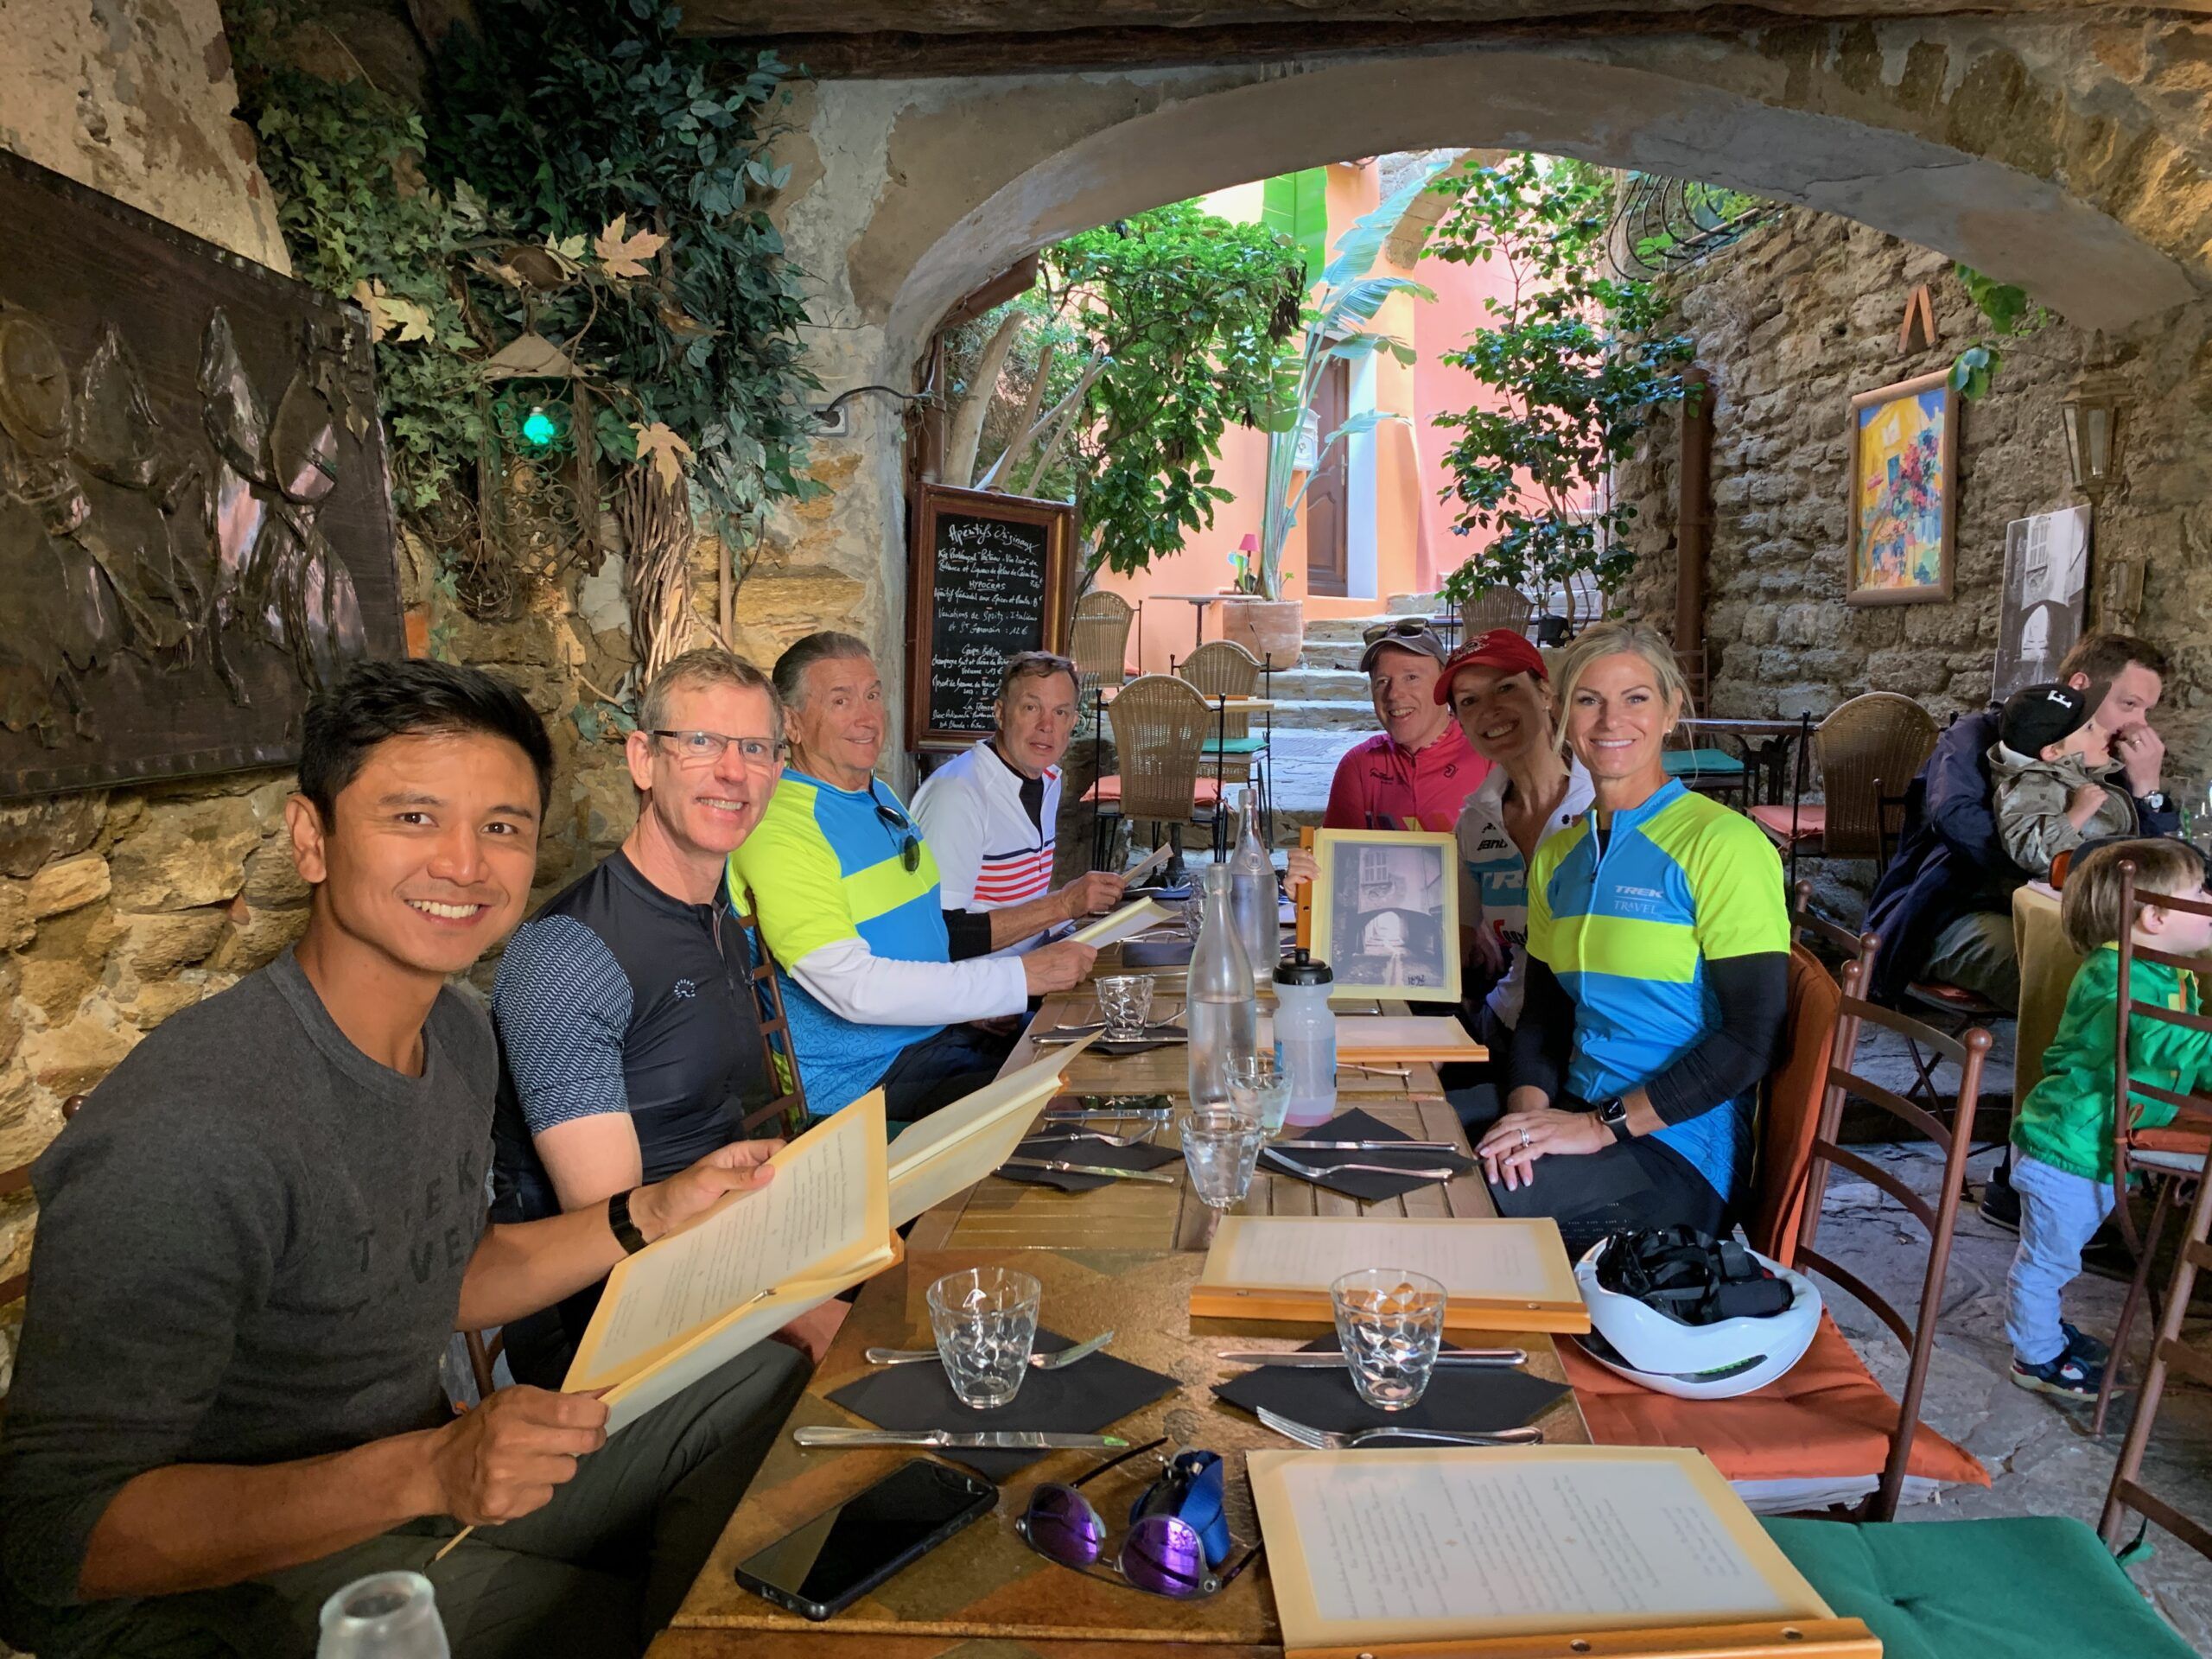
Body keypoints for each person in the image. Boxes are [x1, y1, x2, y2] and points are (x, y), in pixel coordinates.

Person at [0, 661, 808, 1659]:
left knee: (766, 1389)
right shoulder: (192, 1124)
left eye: (502, 827)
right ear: (311, 839)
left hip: (413, 1481)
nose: (465, 865)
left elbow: (443, 1274)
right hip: (237, 1579)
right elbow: (46, 1544)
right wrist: (427, 1471)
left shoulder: (458, 1036)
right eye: (414, 818)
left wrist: (647, 1214)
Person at [490, 648, 837, 1388]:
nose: (734, 772)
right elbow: (616, 1231)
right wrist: (793, 1309)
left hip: (736, 1250)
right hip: (610, 1327)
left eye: (756, 748)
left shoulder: (718, 916)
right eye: (703, 743)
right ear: (644, 759)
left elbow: (731, 1122)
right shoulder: (566, 956)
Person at [1477, 620, 1789, 1255]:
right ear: (1563, 714)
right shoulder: (1558, 854)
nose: (1610, 719)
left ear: (1672, 709)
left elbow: (1752, 1040)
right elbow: (1545, 1014)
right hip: (1574, 1113)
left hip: (1675, 1153)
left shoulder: (1722, 845)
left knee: (1449, 1216)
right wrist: (1526, 1117)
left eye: (1636, 698)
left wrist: (1598, 1127)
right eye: (1589, 699)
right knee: (1409, 1158)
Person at [730, 632, 1095, 1123]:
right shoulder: (779, 827)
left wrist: (971, 1004)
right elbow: (852, 987)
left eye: (873, 696)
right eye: (841, 701)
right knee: (1057, 1105)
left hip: (934, 1033)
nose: (867, 717)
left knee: (1088, 1056)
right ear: (791, 723)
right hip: (861, 1080)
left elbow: (927, 935)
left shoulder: (877, 795)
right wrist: (1017, 976)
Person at [1867, 632, 2177, 1012]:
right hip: (1958, 910)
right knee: (2081, 982)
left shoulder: (2108, 761)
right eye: (2129, 704)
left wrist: (2148, 789)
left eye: (2148, 712)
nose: (2138, 725)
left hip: (2074, 917)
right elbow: (1958, 822)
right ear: (2081, 685)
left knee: (2164, 971)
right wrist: (2063, 864)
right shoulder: (1977, 736)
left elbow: (2146, 861)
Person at [2005, 839, 2210, 1400]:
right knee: (2047, 1262)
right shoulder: (2120, 977)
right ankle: (2036, 1356)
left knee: (2054, 1257)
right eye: (2201, 892)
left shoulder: (2161, 970)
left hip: (2086, 1143)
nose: (2210, 901)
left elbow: (2182, 1050)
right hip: (2066, 1150)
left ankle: (2040, 1334)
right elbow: (2175, 1044)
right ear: (2157, 916)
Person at [1439, 629, 1595, 1125]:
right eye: (1468, 701)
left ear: (1545, 693)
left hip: (1592, 1044)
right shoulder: (1475, 820)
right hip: (1507, 1031)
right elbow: (1450, 951)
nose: (1489, 710)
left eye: (1505, 687)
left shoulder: (1603, 803)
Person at [912, 651, 1124, 957]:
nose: (1046, 726)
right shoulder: (957, 795)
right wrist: (1063, 905)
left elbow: (1019, 908)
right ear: (1000, 713)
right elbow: (941, 935)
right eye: (1031, 707)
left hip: (1027, 974)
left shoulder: (1047, 778)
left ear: (1074, 723)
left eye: (1060, 713)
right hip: (977, 999)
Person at [1321, 620, 1491, 832]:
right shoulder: (1358, 766)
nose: (1393, 694)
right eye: (1382, 681)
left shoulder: (1488, 756)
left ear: (1445, 683)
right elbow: (1339, 860)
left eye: (1411, 677)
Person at [1987, 681, 2139, 881]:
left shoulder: (2077, 770)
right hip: (2076, 895)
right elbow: (2030, 853)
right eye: (2090, 728)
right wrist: (2076, 815)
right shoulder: (2025, 788)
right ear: (2052, 752)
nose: (2104, 732)